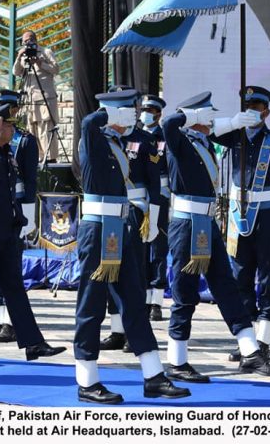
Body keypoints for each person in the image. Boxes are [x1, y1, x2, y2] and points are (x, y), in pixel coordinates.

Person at [72, 89, 189, 404]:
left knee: (134, 302)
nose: (135, 115)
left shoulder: (119, 143)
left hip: (120, 228)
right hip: (97, 230)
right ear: (113, 113)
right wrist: (107, 114)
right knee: (92, 304)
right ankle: (87, 380)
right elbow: (86, 124)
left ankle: (153, 376)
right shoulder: (95, 139)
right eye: (128, 111)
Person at [162, 91, 270, 382]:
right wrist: (191, 117)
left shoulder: (202, 141)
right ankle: (177, 360)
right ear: (195, 118)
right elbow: (168, 124)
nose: (211, 121)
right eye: (207, 116)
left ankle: (250, 352)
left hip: (207, 222)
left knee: (226, 286)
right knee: (185, 291)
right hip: (187, 223)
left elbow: (218, 133)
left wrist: (227, 123)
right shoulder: (180, 140)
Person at [0, 104, 66, 365]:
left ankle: (33, 343)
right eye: (8, 126)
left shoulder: (7, 154)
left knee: (15, 287)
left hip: (5, 231)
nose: (13, 130)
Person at [209, 86, 270, 362]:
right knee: (240, 277)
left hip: (267, 216)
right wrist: (233, 122)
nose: (252, 113)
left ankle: (264, 340)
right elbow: (206, 131)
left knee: (267, 278)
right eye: (247, 109)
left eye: (256, 109)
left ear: (266, 112)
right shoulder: (235, 137)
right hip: (238, 215)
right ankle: (247, 342)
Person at [100, 94, 162, 353]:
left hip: (135, 211)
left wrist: (154, 219)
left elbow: (154, 183)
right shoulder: (104, 139)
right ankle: (116, 330)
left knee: (134, 274)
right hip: (109, 210)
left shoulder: (145, 140)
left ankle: (132, 331)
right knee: (110, 271)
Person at [0, 90, 38, 343]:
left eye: (4, 108)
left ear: (14, 111)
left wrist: (30, 215)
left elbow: (31, 179)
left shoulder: (24, 140)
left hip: (15, 209)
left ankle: (11, 322)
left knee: (10, 267)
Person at [139, 95, 171, 321]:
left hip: (159, 193)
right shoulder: (135, 135)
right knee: (140, 245)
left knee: (158, 245)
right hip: (139, 195)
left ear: (158, 113)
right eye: (143, 109)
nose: (145, 113)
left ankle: (156, 300)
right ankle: (141, 294)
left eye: (150, 110)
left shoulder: (164, 136)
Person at [12, 30, 60, 163]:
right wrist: (18, 57)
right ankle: (37, 157)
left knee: (46, 128)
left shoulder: (46, 52)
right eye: (25, 41)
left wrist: (40, 63)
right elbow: (16, 72)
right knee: (32, 130)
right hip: (30, 99)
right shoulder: (23, 56)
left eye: (31, 39)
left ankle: (50, 159)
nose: (29, 42)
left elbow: (56, 69)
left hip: (45, 97)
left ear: (36, 39)